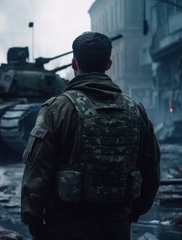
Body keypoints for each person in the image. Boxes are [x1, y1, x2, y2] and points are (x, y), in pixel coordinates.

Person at [20, 31, 160, 240]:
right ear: (109, 64)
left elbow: (37, 170)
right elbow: (151, 169)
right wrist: (133, 211)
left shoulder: (57, 109)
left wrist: (33, 220)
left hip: (65, 225)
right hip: (117, 223)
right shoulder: (135, 109)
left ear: (74, 63)